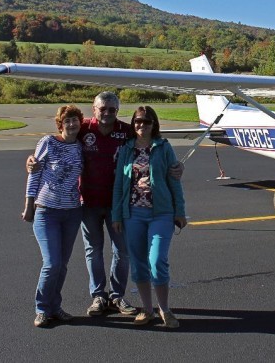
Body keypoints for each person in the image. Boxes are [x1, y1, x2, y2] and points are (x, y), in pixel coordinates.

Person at [27, 92, 183, 318]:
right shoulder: (83, 128)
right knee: (94, 250)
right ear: (94, 109)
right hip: (88, 201)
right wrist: (32, 160)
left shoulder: (125, 131)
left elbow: (149, 141)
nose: (107, 113)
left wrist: (176, 166)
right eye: (103, 109)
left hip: (119, 204)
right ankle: (98, 295)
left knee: (122, 250)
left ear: (117, 111)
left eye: (112, 109)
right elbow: (58, 141)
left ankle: (117, 295)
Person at [112, 106, 187, 329]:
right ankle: (147, 309)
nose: (141, 125)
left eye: (146, 121)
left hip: (160, 213)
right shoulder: (126, 149)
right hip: (133, 213)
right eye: (137, 121)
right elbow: (118, 185)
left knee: (157, 261)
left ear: (154, 124)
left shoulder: (163, 147)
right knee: (138, 263)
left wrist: (180, 211)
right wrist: (117, 215)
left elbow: (174, 180)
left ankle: (165, 309)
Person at [22, 105, 84, 328]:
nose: (71, 124)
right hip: (46, 210)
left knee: (63, 264)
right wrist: (29, 205)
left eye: (75, 120)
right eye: (67, 120)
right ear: (60, 124)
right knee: (51, 263)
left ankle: (55, 307)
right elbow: (34, 172)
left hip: (72, 211)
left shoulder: (80, 147)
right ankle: (41, 309)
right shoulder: (48, 142)